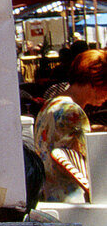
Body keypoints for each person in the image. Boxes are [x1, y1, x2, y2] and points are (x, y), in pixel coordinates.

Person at [33, 49, 107, 203]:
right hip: (74, 200)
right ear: (96, 82)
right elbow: (86, 164)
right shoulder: (73, 112)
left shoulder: (50, 105)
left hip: (48, 196)